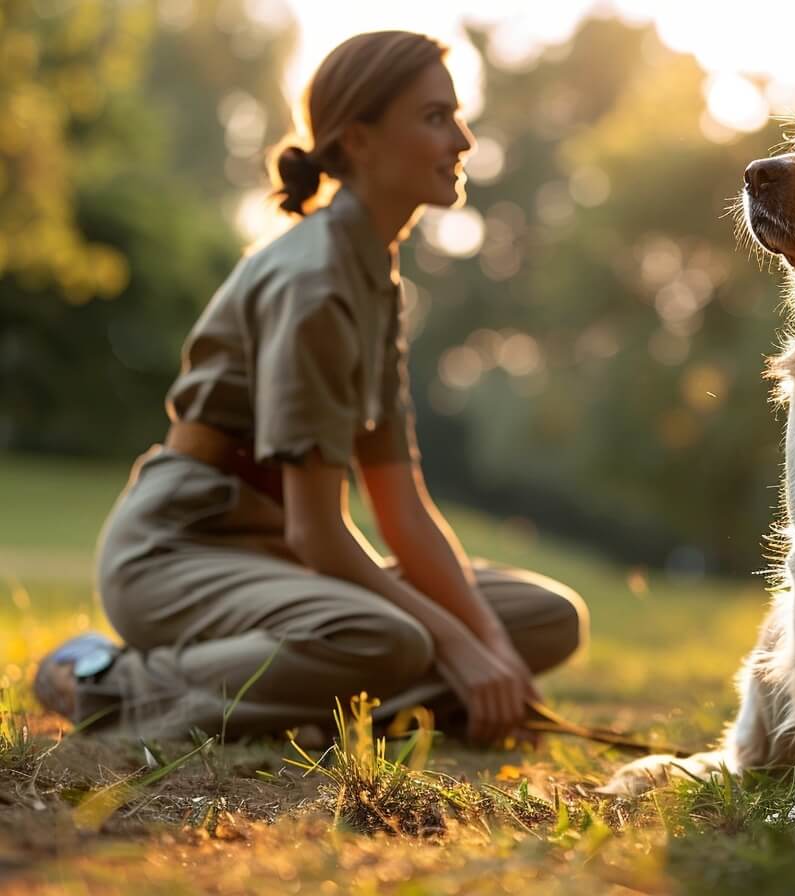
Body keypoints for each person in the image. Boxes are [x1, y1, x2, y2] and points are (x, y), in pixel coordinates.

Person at [32, 31, 587, 745]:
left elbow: (402, 508)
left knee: (545, 618)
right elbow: (318, 531)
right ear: (357, 140)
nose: (464, 138)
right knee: (388, 638)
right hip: (179, 553)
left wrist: (494, 648)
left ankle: (339, 709)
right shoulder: (315, 283)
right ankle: (107, 684)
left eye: (456, 114)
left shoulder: (375, 277)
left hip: (281, 565)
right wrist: (456, 646)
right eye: (435, 117)